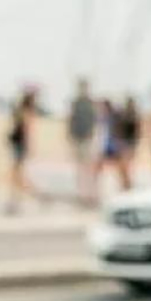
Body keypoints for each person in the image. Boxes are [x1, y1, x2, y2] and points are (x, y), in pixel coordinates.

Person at [4, 86, 42, 214]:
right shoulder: (27, 111)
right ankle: (22, 196)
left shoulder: (19, 110)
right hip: (20, 144)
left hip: (17, 143)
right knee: (18, 172)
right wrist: (31, 146)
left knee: (17, 172)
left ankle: (18, 197)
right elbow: (27, 130)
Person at [66, 78, 99, 206]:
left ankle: (91, 194)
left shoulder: (90, 103)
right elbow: (71, 120)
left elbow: (94, 121)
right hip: (78, 139)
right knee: (80, 168)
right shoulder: (75, 103)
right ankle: (82, 194)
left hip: (87, 139)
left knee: (89, 168)